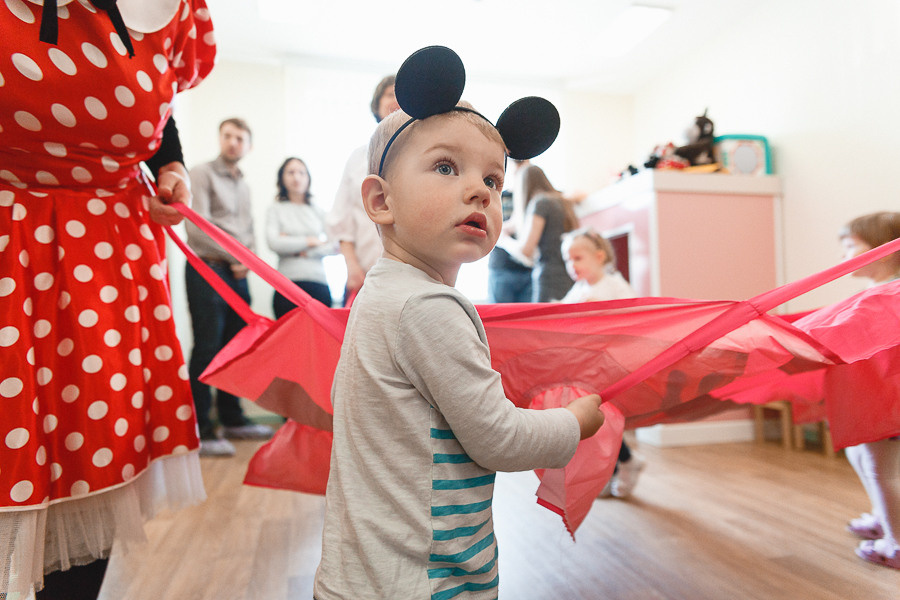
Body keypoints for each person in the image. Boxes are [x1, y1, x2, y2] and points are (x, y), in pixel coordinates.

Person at [312, 90, 605, 598]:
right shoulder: (428, 308)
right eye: (447, 167)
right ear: (381, 202)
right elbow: (499, 439)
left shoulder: (381, 293)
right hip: (422, 578)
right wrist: (574, 424)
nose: (480, 192)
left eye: (493, 178)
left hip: (364, 571)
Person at [0, 2, 214, 598]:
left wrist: (170, 166)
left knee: (89, 473)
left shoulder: (173, 12)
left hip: (103, 269)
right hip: (12, 249)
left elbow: (160, 115)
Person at [185, 118, 273, 457]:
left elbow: (248, 230)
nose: (233, 142)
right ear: (220, 138)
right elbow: (197, 228)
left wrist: (245, 259)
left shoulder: (245, 186)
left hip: (238, 273)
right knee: (207, 347)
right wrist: (237, 255)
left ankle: (233, 419)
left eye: (240, 138)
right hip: (207, 269)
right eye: (228, 136)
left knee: (237, 350)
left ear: (248, 146)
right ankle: (202, 432)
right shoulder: (201, 173)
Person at [560, 228, 647, 498]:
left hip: (610, 367)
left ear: (599, 256)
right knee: (597, 420)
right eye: (568, 260)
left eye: (578, 258)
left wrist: (604, 309)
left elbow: (636, 316)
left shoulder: (614, 286)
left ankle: (621, 465)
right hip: (584, 367)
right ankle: (624, 464)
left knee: (604, 418)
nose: (572, 266)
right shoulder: (579, 289)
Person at [837, 212, 900, 569]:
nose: (844, 256)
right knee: (859, 456)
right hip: (876, 395)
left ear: (885, 251)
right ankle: (884, 517)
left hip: (889, 398)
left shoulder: (893, 292)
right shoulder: (878, 290)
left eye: (851, 247)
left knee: (882, 469)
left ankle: (897, 543)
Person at [326, 75, 400, 305]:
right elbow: (342, 221)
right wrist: (352, 268)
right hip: (366, 278)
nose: (397, 100)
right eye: (390, 94)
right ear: (376, 105)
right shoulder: (358, 158)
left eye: (402, 95)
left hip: (414, 279)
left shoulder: (427, 156)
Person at [266, 157, 334, 317]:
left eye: (301, 173)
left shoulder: (318, 211)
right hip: (287, 286)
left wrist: (301, 249)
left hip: (319, 284)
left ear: (308, 177)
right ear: (282, 178)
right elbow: (274, 243)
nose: (296, 177)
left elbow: (336, 244)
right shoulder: (276, 210)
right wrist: (310, 241)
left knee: (319, 341)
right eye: (290, 172)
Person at [510, 164, 579, 302]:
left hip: (550, 280)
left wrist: (503, 240)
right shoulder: (563, 202)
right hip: (570, 276)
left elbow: (526, 250)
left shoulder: (540, 203)